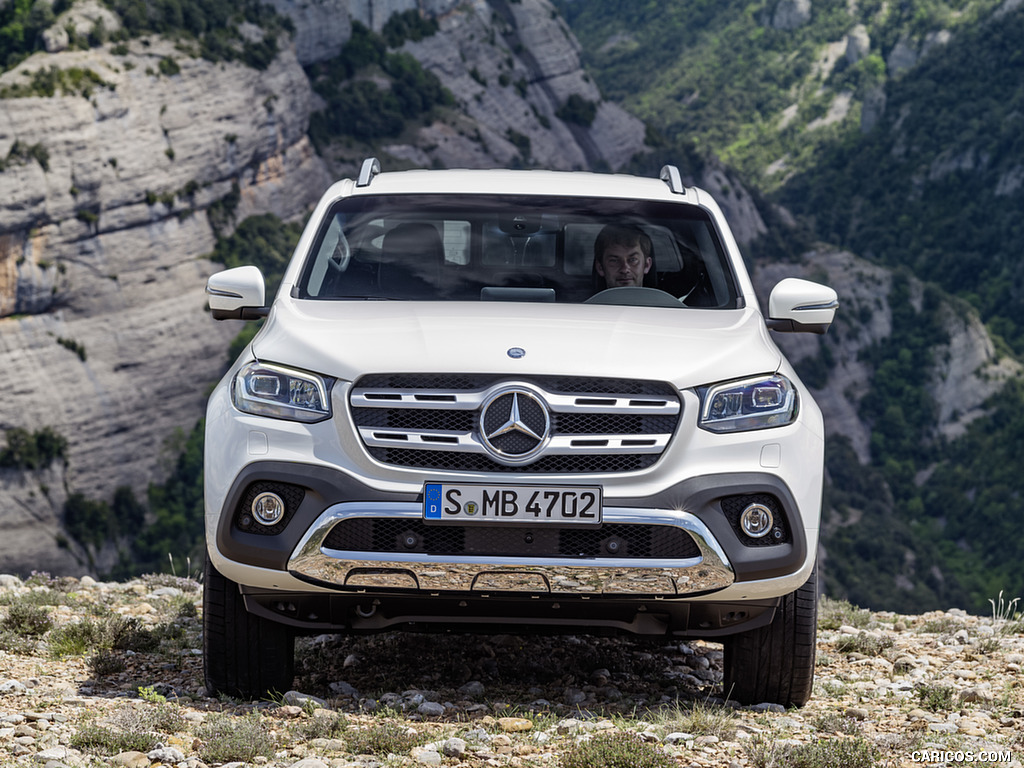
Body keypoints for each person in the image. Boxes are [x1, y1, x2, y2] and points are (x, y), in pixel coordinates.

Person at [593, 224, 654, 289]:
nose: (625, 270)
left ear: (647, 265)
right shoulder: (585, 299)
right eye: (614, 261)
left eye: (633, 260)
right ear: (600, 267)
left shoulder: (664, 299)